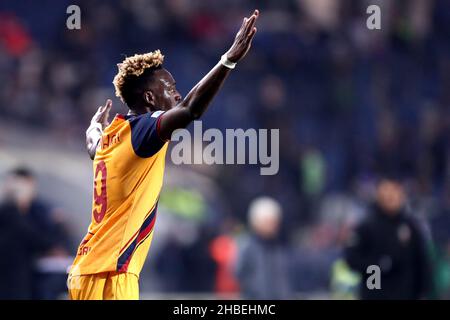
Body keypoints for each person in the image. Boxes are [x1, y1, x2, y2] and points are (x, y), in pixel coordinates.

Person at [68, 10, 260, 300]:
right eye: (170, 88)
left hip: (86, 270)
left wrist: (94, 128)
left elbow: (93, 145)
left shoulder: (112, 137)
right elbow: (190, 111)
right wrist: (229, 59)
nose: (177, 95)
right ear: (149, 98)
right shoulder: (143, 131)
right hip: (112, 275)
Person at [344, 177, 431, 299]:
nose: (390, 196)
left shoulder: (411, 227)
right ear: (378, 194)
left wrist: (423, 292)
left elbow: (422, 263)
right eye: (386, 191)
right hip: (375, 294)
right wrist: (377, 266)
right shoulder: (367, 227)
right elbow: (352, 259)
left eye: (394, 191)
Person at [235, 196, 292, 299]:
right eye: (268, 222)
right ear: (256, 222)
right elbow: (238, 272)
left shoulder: (279, 247)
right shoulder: (247, 247)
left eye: (274, 222)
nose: (272, 226)